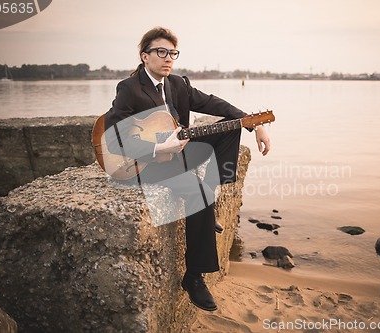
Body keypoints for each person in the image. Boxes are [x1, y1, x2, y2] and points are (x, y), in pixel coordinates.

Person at [104, 27, 270, 311]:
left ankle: (209, 193)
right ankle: (194, 277)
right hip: (144, 164)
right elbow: (115, 138)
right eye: (161, 52)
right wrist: (158, 149)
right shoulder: (129, 88)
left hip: (176, 153)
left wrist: (253, 123)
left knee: (229, 129)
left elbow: (213, 103)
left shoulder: (177, 84)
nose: (168, 58)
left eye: (172, 53)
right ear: (145, 56)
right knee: (199, 197)